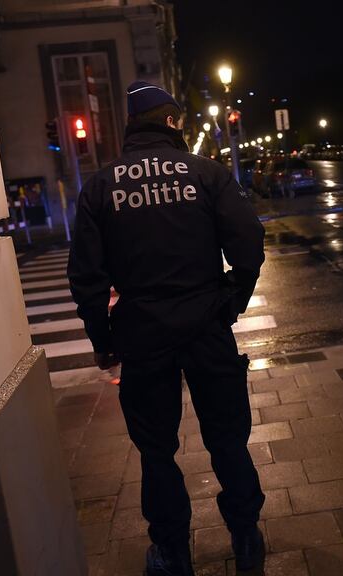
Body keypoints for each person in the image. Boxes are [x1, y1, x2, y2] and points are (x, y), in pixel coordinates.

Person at [68, 81, 266, 575]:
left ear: (131, 126)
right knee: (227, 439)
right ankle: (246, 538)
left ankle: (173, 551)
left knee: (157, 451)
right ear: (173, 122)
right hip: (205, 325)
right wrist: (231, 302)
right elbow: (248, 243)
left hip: (143, 332)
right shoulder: (207, 174)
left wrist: (103, 341)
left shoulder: (101, 187)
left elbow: (87, 276)